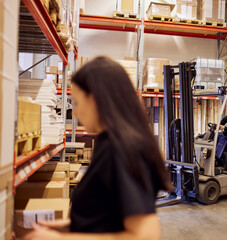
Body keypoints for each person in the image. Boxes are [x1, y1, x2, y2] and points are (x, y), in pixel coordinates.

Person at [24, 56, 173, 240]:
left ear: (95, 99)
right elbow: (109, 215)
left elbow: (145, 235)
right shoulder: (107, 142)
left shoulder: (122, 149)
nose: (76, 112)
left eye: (77, 102)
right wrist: (68, 227)